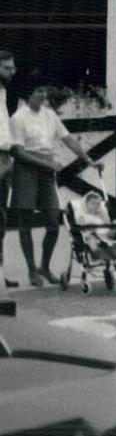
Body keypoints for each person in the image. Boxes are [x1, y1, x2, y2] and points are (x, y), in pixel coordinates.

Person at [10, 74, 101, 288]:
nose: (43, 95)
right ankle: (32, 270)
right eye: (38, 91)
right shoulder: (18, 118)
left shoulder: (49, 115)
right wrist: (46, 164)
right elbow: (17, 152)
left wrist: (89, 160)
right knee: (26, 222)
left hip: (45, 170)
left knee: (53, 222)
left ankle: (44, 266)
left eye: (44, 90)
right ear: (27, 95)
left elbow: (68, 139)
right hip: (26, 170)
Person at [70, 190, 116, 266]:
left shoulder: (100, 216)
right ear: (86, 204)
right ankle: (98, 257)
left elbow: (107, 224)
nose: (95, 206)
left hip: (104, 235)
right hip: (90, 234)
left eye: (98, 204)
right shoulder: (83, 216)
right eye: (92, 203)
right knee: (92, 241)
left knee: (114, 237)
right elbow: (81, 227)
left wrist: (103, 213)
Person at [0, 50, 14, 287]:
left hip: (4, 158)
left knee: (1, 218)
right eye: (7, 67)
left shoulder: (3, 93)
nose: (13, 71)